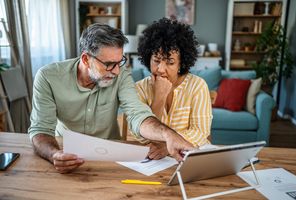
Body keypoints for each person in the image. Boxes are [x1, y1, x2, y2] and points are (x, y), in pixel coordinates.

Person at [28, 23, 193, 173]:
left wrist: (167, 134)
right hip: (65, 151)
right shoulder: (48, 77)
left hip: (110, 156)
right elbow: (41, 130)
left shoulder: (121, 75)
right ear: (86, 59)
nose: (116, 71)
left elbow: (138, 115)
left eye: (119, 62)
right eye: (108, 64)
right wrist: (54, 154)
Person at [135, 18, 212, 160]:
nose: (161, 69)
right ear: (148, 58)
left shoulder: (197, 86)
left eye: (170, 62)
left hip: (189, 158)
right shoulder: (140, 88)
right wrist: (159, 97)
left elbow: (200, 132)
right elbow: (142, 137)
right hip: (154, 161)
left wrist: (168, 146)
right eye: (156, 60)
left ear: (181, 64)